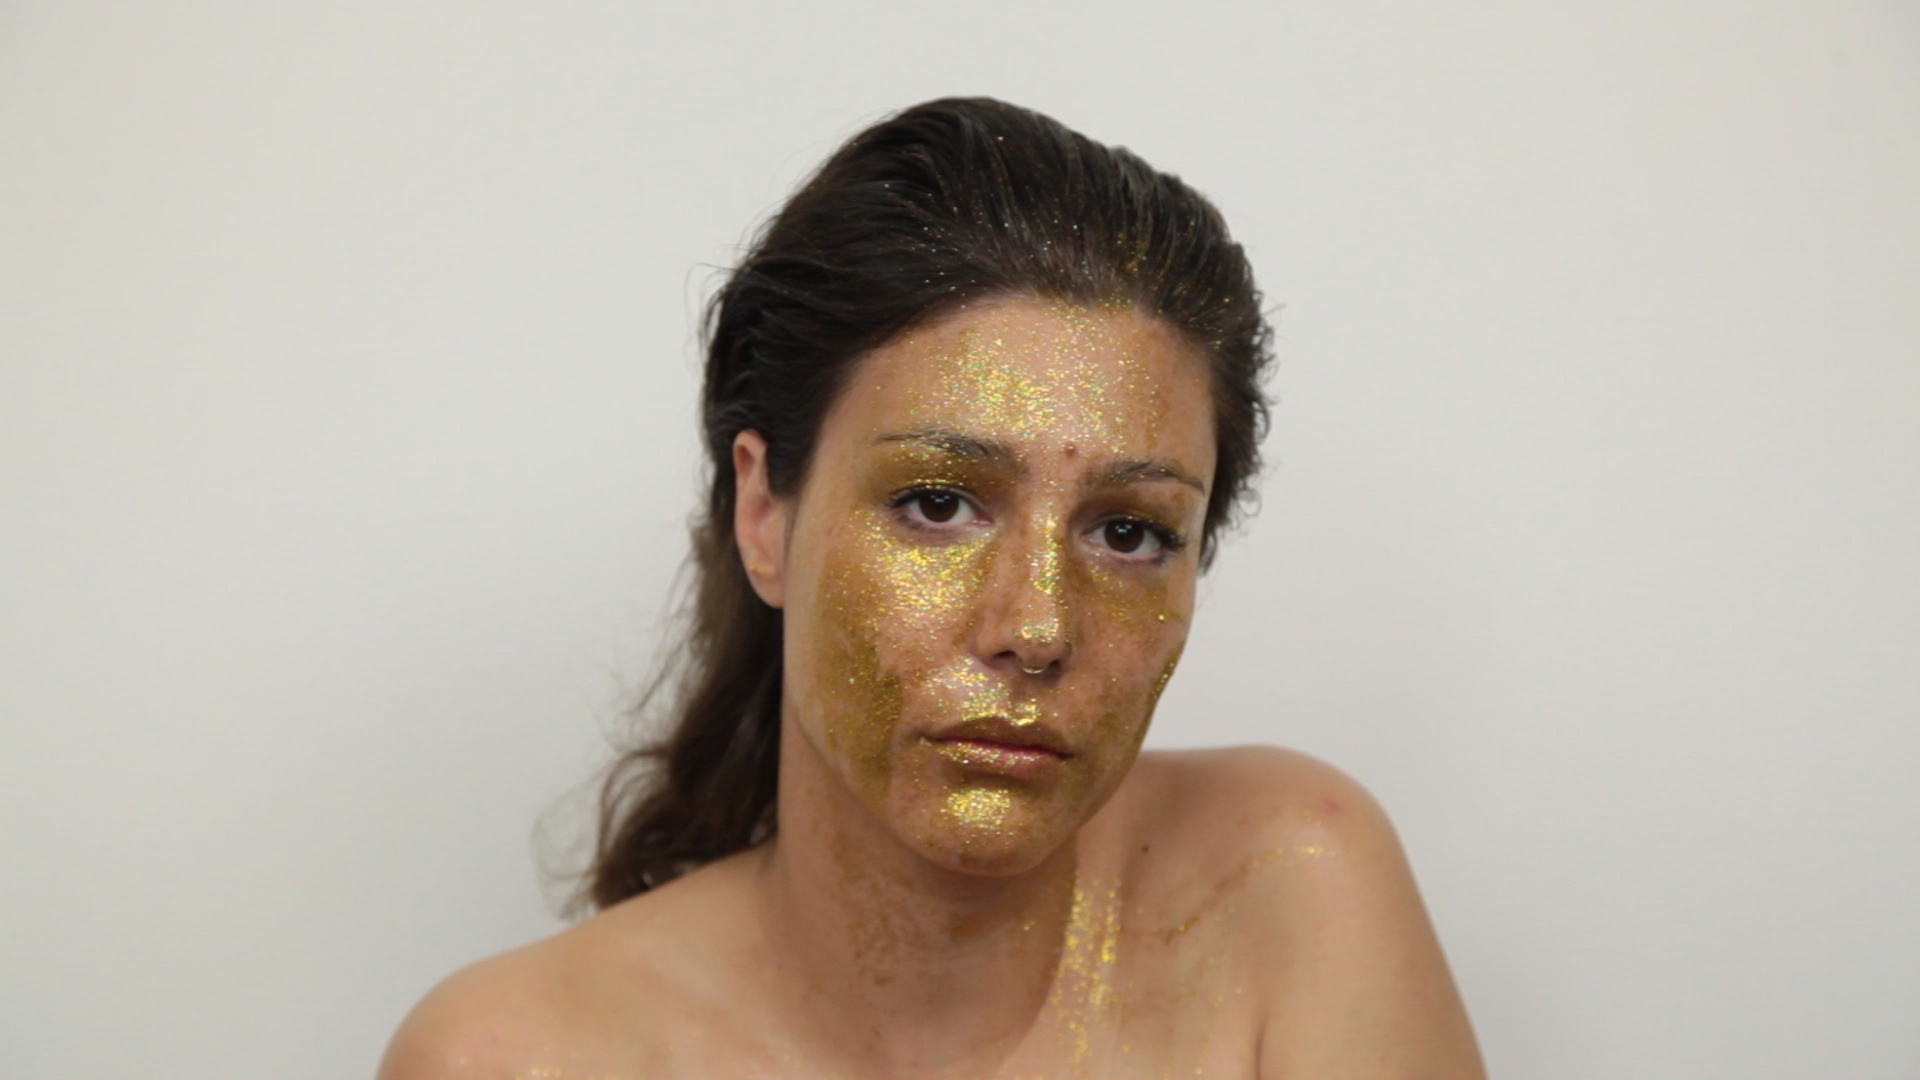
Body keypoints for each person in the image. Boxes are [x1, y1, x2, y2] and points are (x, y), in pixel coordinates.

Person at [378, 97, 1484, 1079]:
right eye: (939, 504)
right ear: (765, 514)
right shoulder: (510, 1059)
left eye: (1129, 531)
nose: (1036, 628)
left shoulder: (1292, 885)